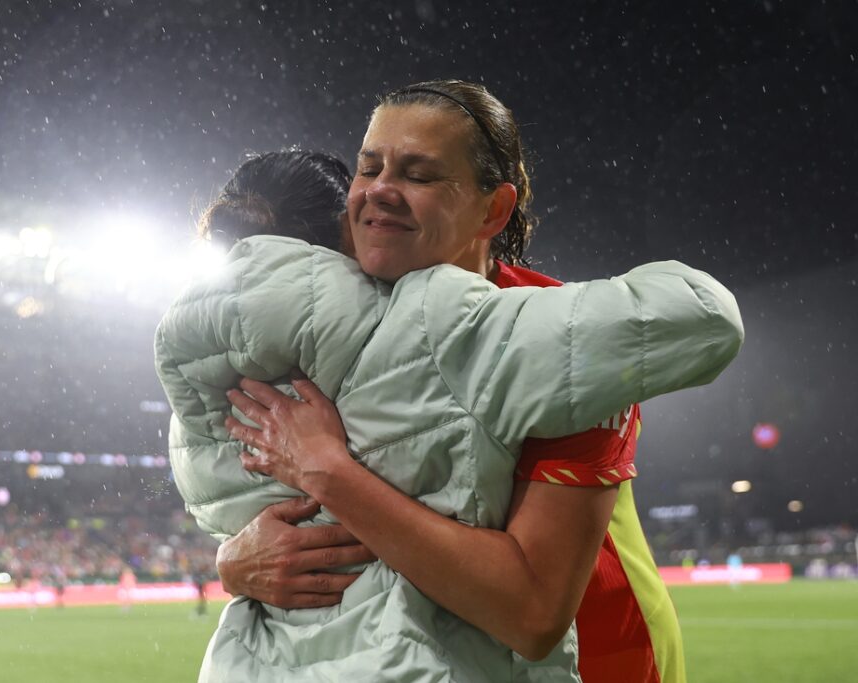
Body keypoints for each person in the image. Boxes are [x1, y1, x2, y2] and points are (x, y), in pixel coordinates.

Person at [156, 145, 742, 679]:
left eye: (418, 177)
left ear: (489, 209)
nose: (385, 198)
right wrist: (234, 561)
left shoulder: (520, 322)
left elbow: (532, 608)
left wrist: (328, 474)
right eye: (372, 176)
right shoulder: (297, 355)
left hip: (597, 642)